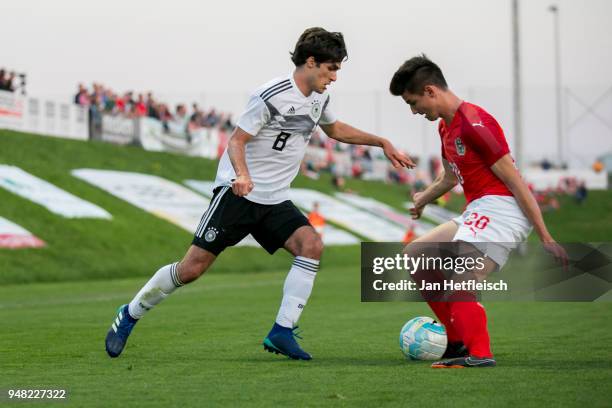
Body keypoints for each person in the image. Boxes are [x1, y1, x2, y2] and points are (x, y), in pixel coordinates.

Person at [105, 27, 414, 361]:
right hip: (237, 194)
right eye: (332, 67)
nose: (335, 76)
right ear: (311, 62)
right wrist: (242, 175)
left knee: (311, 245)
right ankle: (130, 313)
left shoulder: (320, 97)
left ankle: (282, 331)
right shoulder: (271, 95)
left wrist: (381, 142)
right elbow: (237, 140)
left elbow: (334, 129)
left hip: (274, 199)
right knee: (191, 269)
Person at [389, 54, 567, 368]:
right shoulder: (445, 128)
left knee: (464, 275)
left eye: (413, 102)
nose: (414, 111)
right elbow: (450, 176)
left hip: (503, 207)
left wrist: (545, 235)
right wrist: (423, 199)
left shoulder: (474, 123)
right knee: (416, 254)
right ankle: (456, 340)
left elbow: (515, 181)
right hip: (480, 208)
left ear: (430, 91)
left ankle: (480, 354)